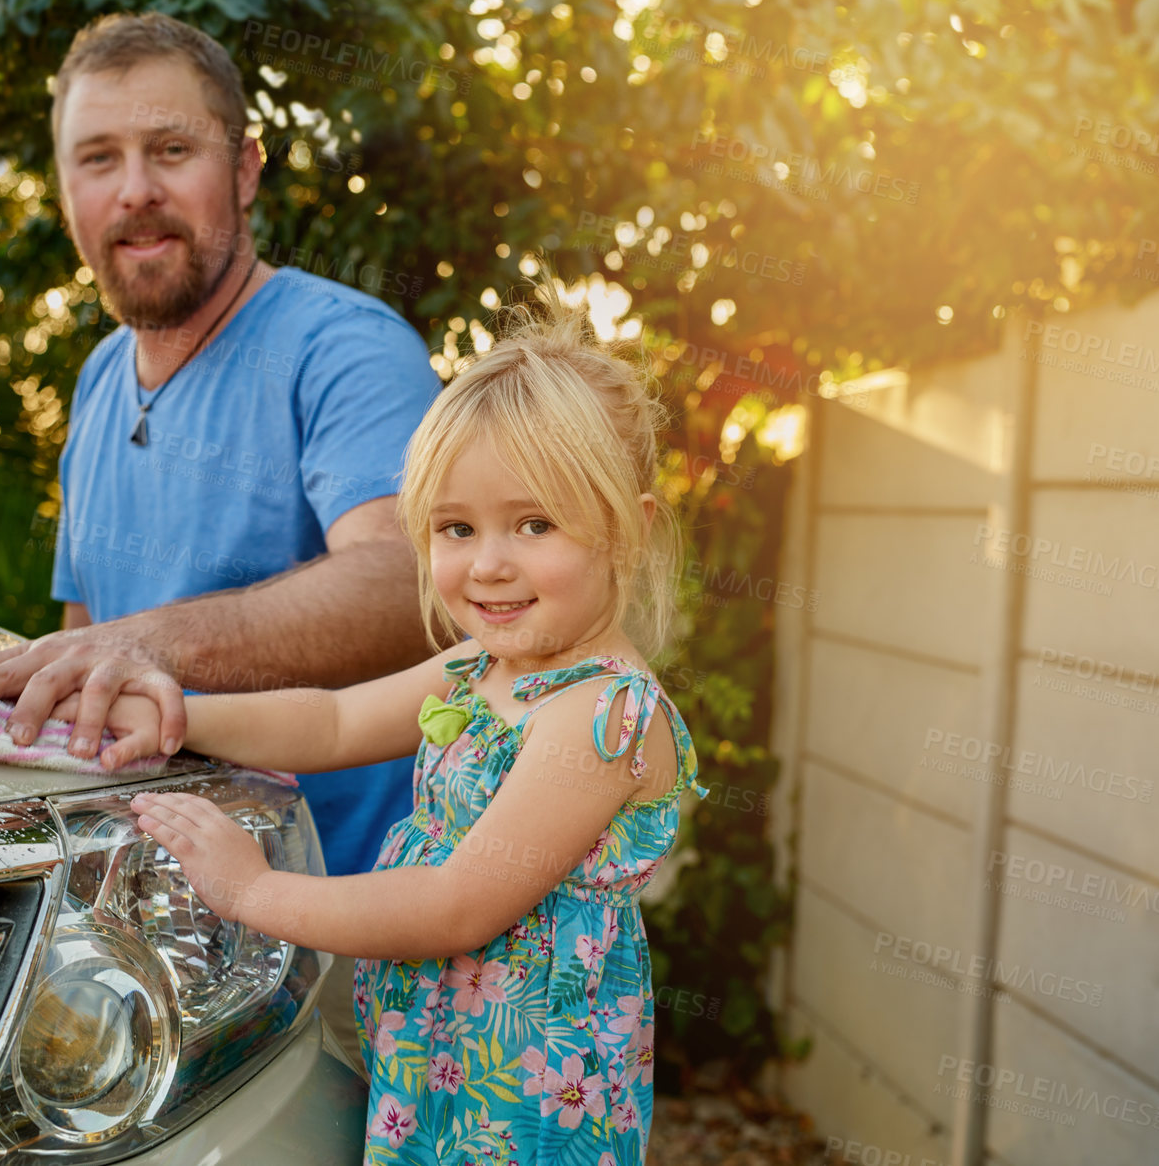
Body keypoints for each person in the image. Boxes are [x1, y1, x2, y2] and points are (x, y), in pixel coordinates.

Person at [85, 287, 708, 1164]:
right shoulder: (481, 668)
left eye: (534, 524)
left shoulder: (600, 714)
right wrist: (180, 714)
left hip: (525, 1114)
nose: (487, 564)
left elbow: (455, 906)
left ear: (627, 532)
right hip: (437, 1073)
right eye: (456, 527)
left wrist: (254, 892)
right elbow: (333, 722)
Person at [0, 11, 444, 881]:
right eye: (99, 157)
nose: (135, 189)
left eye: (173, 150)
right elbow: (89, 646)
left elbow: (410, 583)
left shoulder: (346, 348)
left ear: (246, 169)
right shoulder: (101, 376)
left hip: (352, 936)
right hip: (144, 929)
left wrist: (158, 644)